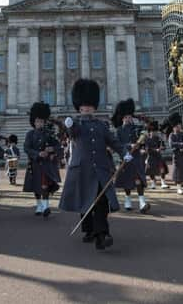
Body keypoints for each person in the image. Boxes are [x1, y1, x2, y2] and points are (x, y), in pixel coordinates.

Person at [59, 79, 132, 251]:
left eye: (90, 106)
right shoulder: (77, 125)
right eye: (84, 106)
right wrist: (68, 125)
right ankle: (89, 229)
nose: (87, 109)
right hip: (82, 170)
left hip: (100, 169)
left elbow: (113, 142)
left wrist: (124, 153)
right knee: (85, 202)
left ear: (94, 107)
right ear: (79, 107)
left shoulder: (101, 125)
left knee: (100, 202)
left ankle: (103, 235)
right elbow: (72, 133)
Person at [23, 102, 62, 217]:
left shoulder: (49, 134)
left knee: (45, 185)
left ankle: (45, 206)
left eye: (41, 121)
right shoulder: (30, 134)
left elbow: (58, 146)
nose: (39, 123)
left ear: (44, 122)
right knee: (36, 186)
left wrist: (51, 149)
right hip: (35, 163)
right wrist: (38, 153)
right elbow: (26, 148)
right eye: (37, 121)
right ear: (34, 122)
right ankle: (39, 204)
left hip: (46, 164)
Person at [112, 99, 150, 213]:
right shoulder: (118, 131)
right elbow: (118, 145)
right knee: (127, 182)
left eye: (130, 117)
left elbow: (144, 133)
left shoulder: (136, 128)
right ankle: (128, 199)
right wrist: (130, 146)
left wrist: (143, 137)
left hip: (137, 158)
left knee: (138, 180)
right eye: (126, 117)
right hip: (126, 158)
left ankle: (142, 201)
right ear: (122, 118)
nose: (129, 119)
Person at [145, 121, 168, 189]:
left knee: (162, 169)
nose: (154, 133)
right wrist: (155, 150)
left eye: (155, 131)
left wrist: (162, 148)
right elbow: (147, 149)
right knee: (151, 171)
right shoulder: (147, 140)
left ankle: (163, 182)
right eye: (153, 131)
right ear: (150, 132)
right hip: (151, 156)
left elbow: (164, 147)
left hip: (158, 156)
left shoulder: (159, 139)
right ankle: (153, 183)